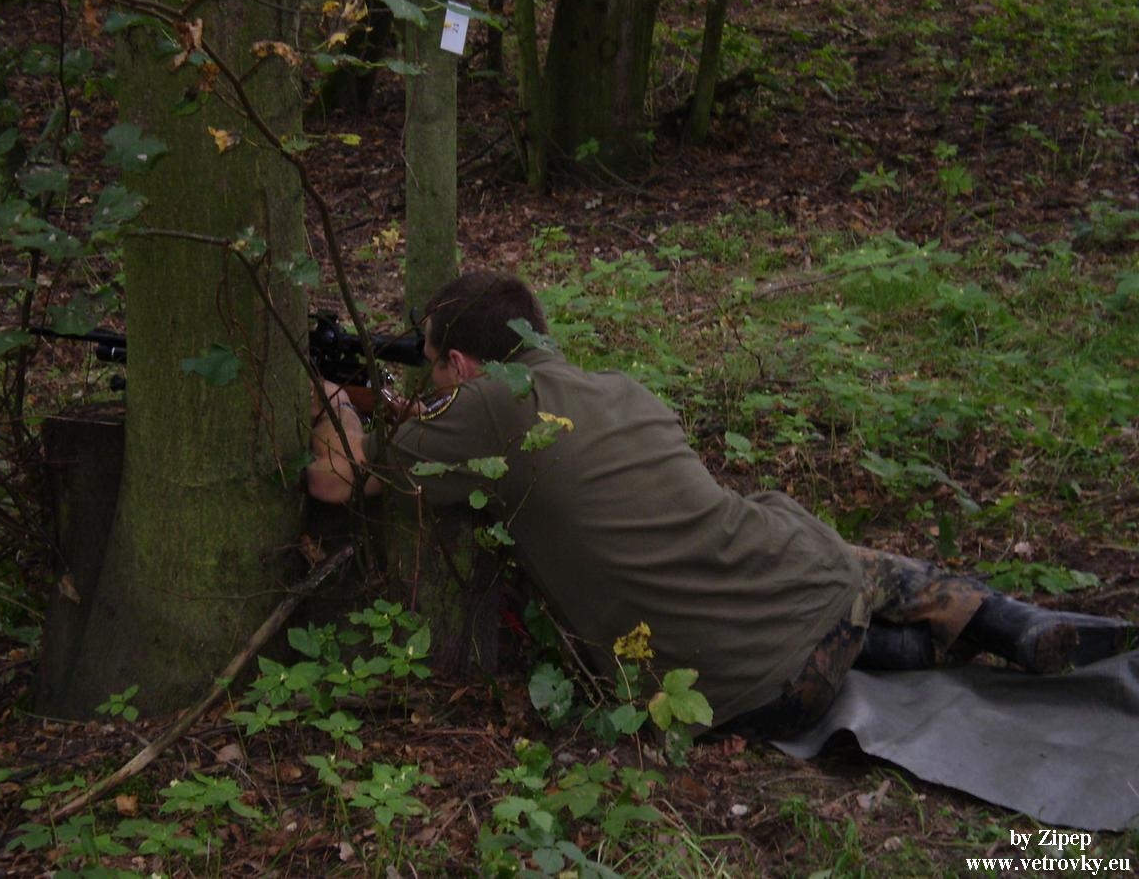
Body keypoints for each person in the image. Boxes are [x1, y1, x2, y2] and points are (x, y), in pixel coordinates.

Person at [308, 271, 1134, 739]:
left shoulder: (486, 409)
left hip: (752, 700)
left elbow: (335, 481)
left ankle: (916, 653)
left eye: (432, 365)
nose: (431, 383)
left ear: (460, 365)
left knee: (796, 618)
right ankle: (1006, 624)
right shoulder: (619, 389)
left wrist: (333, 401)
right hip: (802, 596)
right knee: (810, 546)